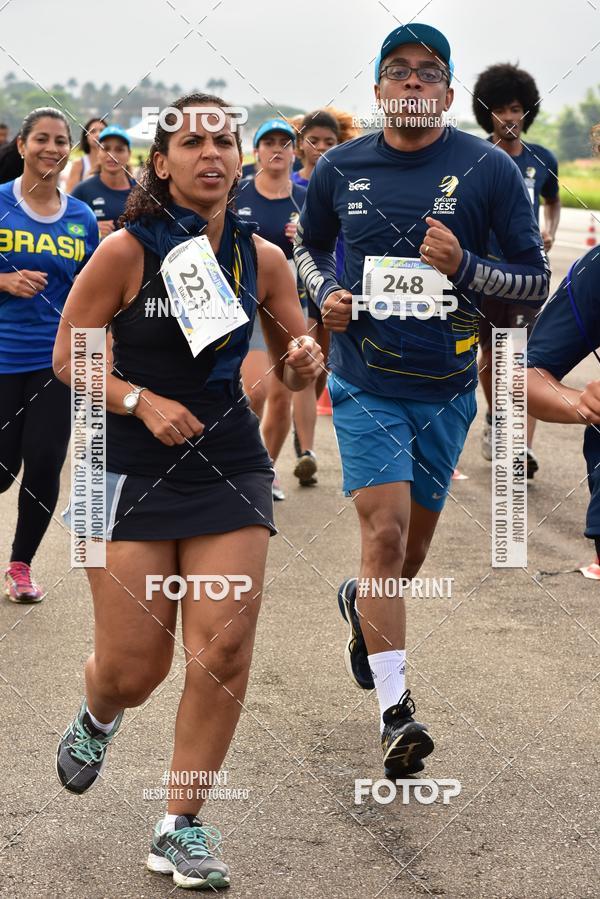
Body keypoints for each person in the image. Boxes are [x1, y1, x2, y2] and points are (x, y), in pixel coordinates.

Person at [53, 93, 322, 891]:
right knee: (138, 667)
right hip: (120, 464)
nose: (213, 152)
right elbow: (71, 358)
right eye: (193, 141)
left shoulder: (261, 256)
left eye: (224, 140)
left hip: (228, 465)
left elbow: (293, 348)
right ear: (160, 164)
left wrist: (305, 359)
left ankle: (181, 824)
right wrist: (140, 399)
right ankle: (100, 710)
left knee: (224, 649)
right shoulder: (126, 251)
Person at [294, 23, 549, 779]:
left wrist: (465, 263)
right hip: (364, 380)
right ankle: (395, 711)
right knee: (385, 533)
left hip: (445, 390)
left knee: (407, 556)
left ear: (445, 90)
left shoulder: (489, 171)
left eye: (427, 73)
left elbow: (534, 282)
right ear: (377, 90)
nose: (411, 84)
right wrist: (328, 294)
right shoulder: (340, 166)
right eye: (397, 72)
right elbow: (304, 249)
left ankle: (361, 607)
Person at [0, 107, 98, 602]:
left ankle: (20, 564)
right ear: (22, 145)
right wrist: (4, 280)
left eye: (62, 141)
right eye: (42, 138)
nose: (53, 148)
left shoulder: (80, 217)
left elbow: (93, 290)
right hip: (1, 356)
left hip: (55, 362)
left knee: (43, 463)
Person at [472, 63, 561, 476]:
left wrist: (550, 230)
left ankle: (519, 449)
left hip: (526, 275)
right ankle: (494, 418)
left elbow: (553, 200)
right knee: (491, 355)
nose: (510, 118)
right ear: (487, 113)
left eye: (517, 109)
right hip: (483, 271)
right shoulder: (475, 157)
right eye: (501, 110)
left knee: (521, 358)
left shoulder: (542, 159)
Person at [237, 118, 315, 499]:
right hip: (244, 303)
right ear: (256, 152)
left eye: (285, 143)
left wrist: (304, 241)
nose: (277, 149)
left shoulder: (306, 199)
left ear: (294, 151)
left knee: (284, 392)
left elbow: (328, 250)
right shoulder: (237, 195)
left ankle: (264, 471)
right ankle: (246, 462)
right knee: (255, 391)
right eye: (268, 143)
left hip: (289, 301)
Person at [72, 124, 135, 239]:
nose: (112, 155)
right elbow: (67, 229)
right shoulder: (82, 190)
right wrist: (91, 229)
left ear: (129, 154)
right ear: (98, 153)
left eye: (119, 149)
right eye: (106, 149)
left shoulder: (140, 192)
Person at [65, 117, 107, 194]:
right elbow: (70, 195)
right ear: (86, 137)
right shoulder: (79, 164)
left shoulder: (113, 162)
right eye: (93, 131)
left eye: (102, 131)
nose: (98, 134)